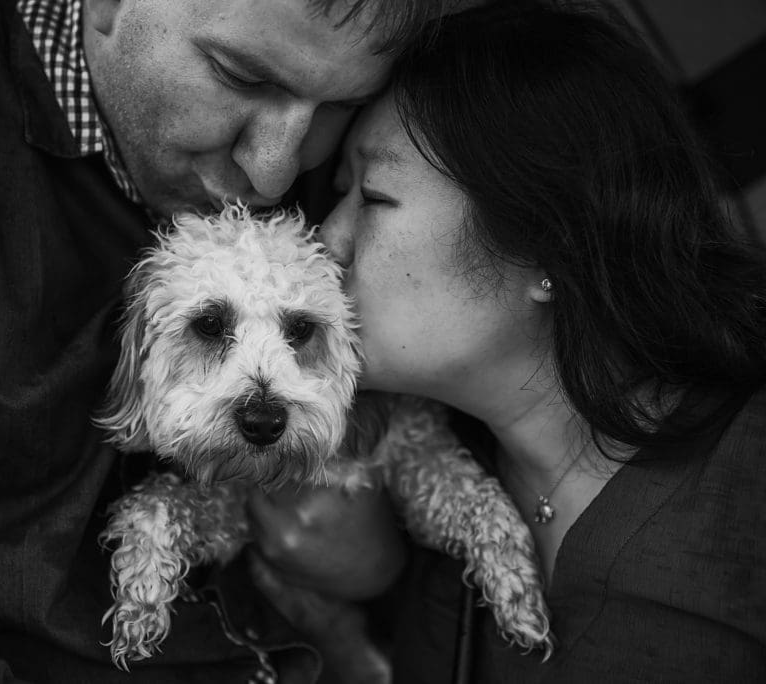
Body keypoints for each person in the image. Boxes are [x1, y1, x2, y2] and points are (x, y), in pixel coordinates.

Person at [0, 0, 459, 681]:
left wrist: (385, 571)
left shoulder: (334, 175)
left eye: (338, 107)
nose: (275, 168)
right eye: (241, 75)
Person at [248, 1, 766, 682]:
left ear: (547, 240)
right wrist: (380, 578)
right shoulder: (411, 480)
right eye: (336, 195)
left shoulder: (745, 484)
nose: (324, 245)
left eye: (371, 198)